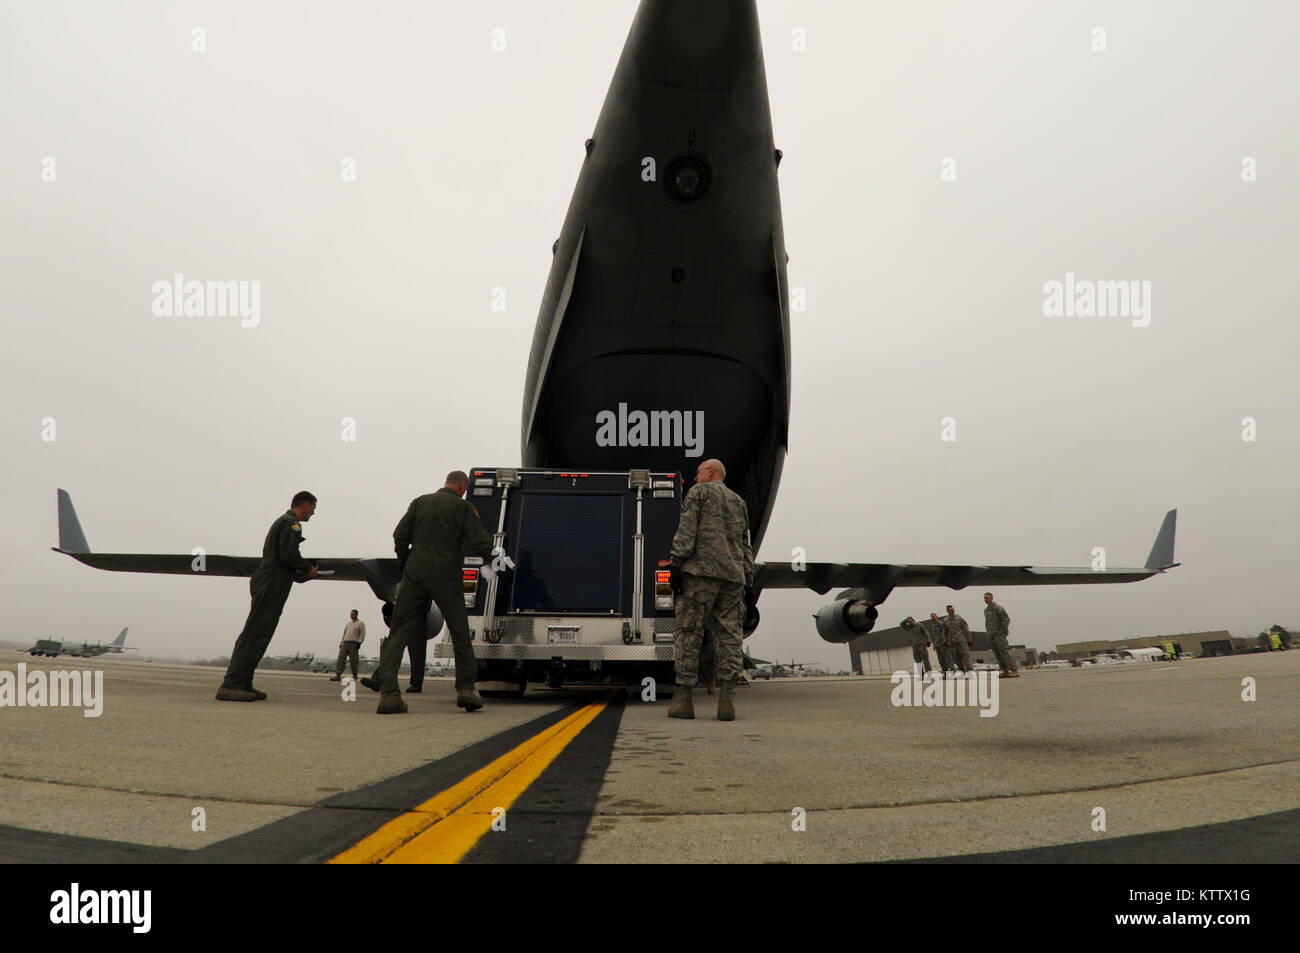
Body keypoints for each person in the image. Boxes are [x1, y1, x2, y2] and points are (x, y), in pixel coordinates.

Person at [361, 471, 495, 714]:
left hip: (415, 568)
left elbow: (399, 536)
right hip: (445, 570)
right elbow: (480, 542)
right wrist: (495, 562)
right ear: (462, 485)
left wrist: (406, 563)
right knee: (459, 631)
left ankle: (389, 694)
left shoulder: (419, 502)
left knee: (399, 629)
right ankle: (465, 689)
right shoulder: (463, 507)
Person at [667, 458, 754, 722]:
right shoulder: (739, 502)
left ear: (712, 472)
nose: (695, 477)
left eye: (699, 471)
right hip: (732, 579)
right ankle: (726, 703)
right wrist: (748, 580)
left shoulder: (699, 493)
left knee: (690, 634)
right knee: (729, 636)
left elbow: (687, 531)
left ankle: (685, 701)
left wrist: (676, 564)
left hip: (700, 576)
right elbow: (745, 545)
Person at [216, 492, 319, 701]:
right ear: (306, 505)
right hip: (272, 581)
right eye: (313, 508)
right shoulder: (291, 524)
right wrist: (308, 569)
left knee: (260, 632)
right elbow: (288, 554)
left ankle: (243, 682)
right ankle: (233, 683)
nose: (313, 513)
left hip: (273, 579)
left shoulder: (283, 522)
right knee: (256, 631)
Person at [983, 592, 1019, 678]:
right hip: (991, 635)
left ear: (992, 598)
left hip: (999, 635)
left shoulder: (998, 608)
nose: (985, 599)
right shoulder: (986, 610)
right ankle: (1005, 670)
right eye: (984, 598)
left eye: (987, 598)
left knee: (1004, 652)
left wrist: (1002, 630)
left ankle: (1014, 670)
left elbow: (1006, 619)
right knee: (997, 653)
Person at [330, 609, 365, 681]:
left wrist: (359, 642)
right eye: (351, 614)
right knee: (341, 659)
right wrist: (341, 642)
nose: (351, 616)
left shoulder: (360, 623)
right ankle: (338, 675)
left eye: (353, 614)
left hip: (354, 643)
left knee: (354, 660)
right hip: (345, 642)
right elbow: (344, 633)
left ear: (356, 615)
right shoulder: (348, 624)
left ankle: (355, 675)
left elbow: (362, 634)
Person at [945, 604, 974, 673]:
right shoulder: (946, 621)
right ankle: (962, 672)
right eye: (950, 610)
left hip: (962, 641)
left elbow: (966, 629)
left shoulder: (959, 618)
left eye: (953, 609)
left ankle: (969, 672)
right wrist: (945, 641)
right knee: (956, 658)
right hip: (952, 643)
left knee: (965, 657)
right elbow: (945, 632)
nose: (952, 611)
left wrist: (969, 639)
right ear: (947, 611)